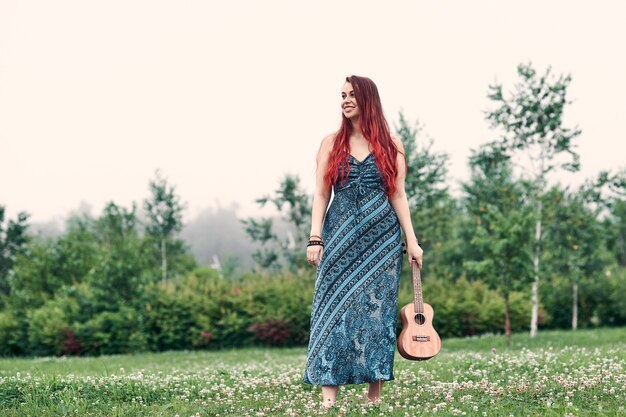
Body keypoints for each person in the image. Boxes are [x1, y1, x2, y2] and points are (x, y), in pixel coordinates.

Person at [302, 75, 423, 409]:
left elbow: (398, 194)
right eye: (342, 95)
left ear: (368, 98)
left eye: (352, 95)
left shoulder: (391, 144)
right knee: (330, 310)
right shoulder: (331, 143)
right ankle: (329, 400)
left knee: (377, 316)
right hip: (338, 235)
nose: (345, 100)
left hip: (381, 241)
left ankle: (374, 398)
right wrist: (315, 238)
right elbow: (321, 194)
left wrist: (412, 241)